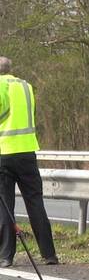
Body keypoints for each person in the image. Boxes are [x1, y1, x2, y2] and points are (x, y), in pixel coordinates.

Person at [0, 57, 57, 267]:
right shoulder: (26, 86)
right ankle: (49, 254)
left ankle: (6, 256)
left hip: (4, 153)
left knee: (5, 205)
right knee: (35, 202)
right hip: (27, 151)